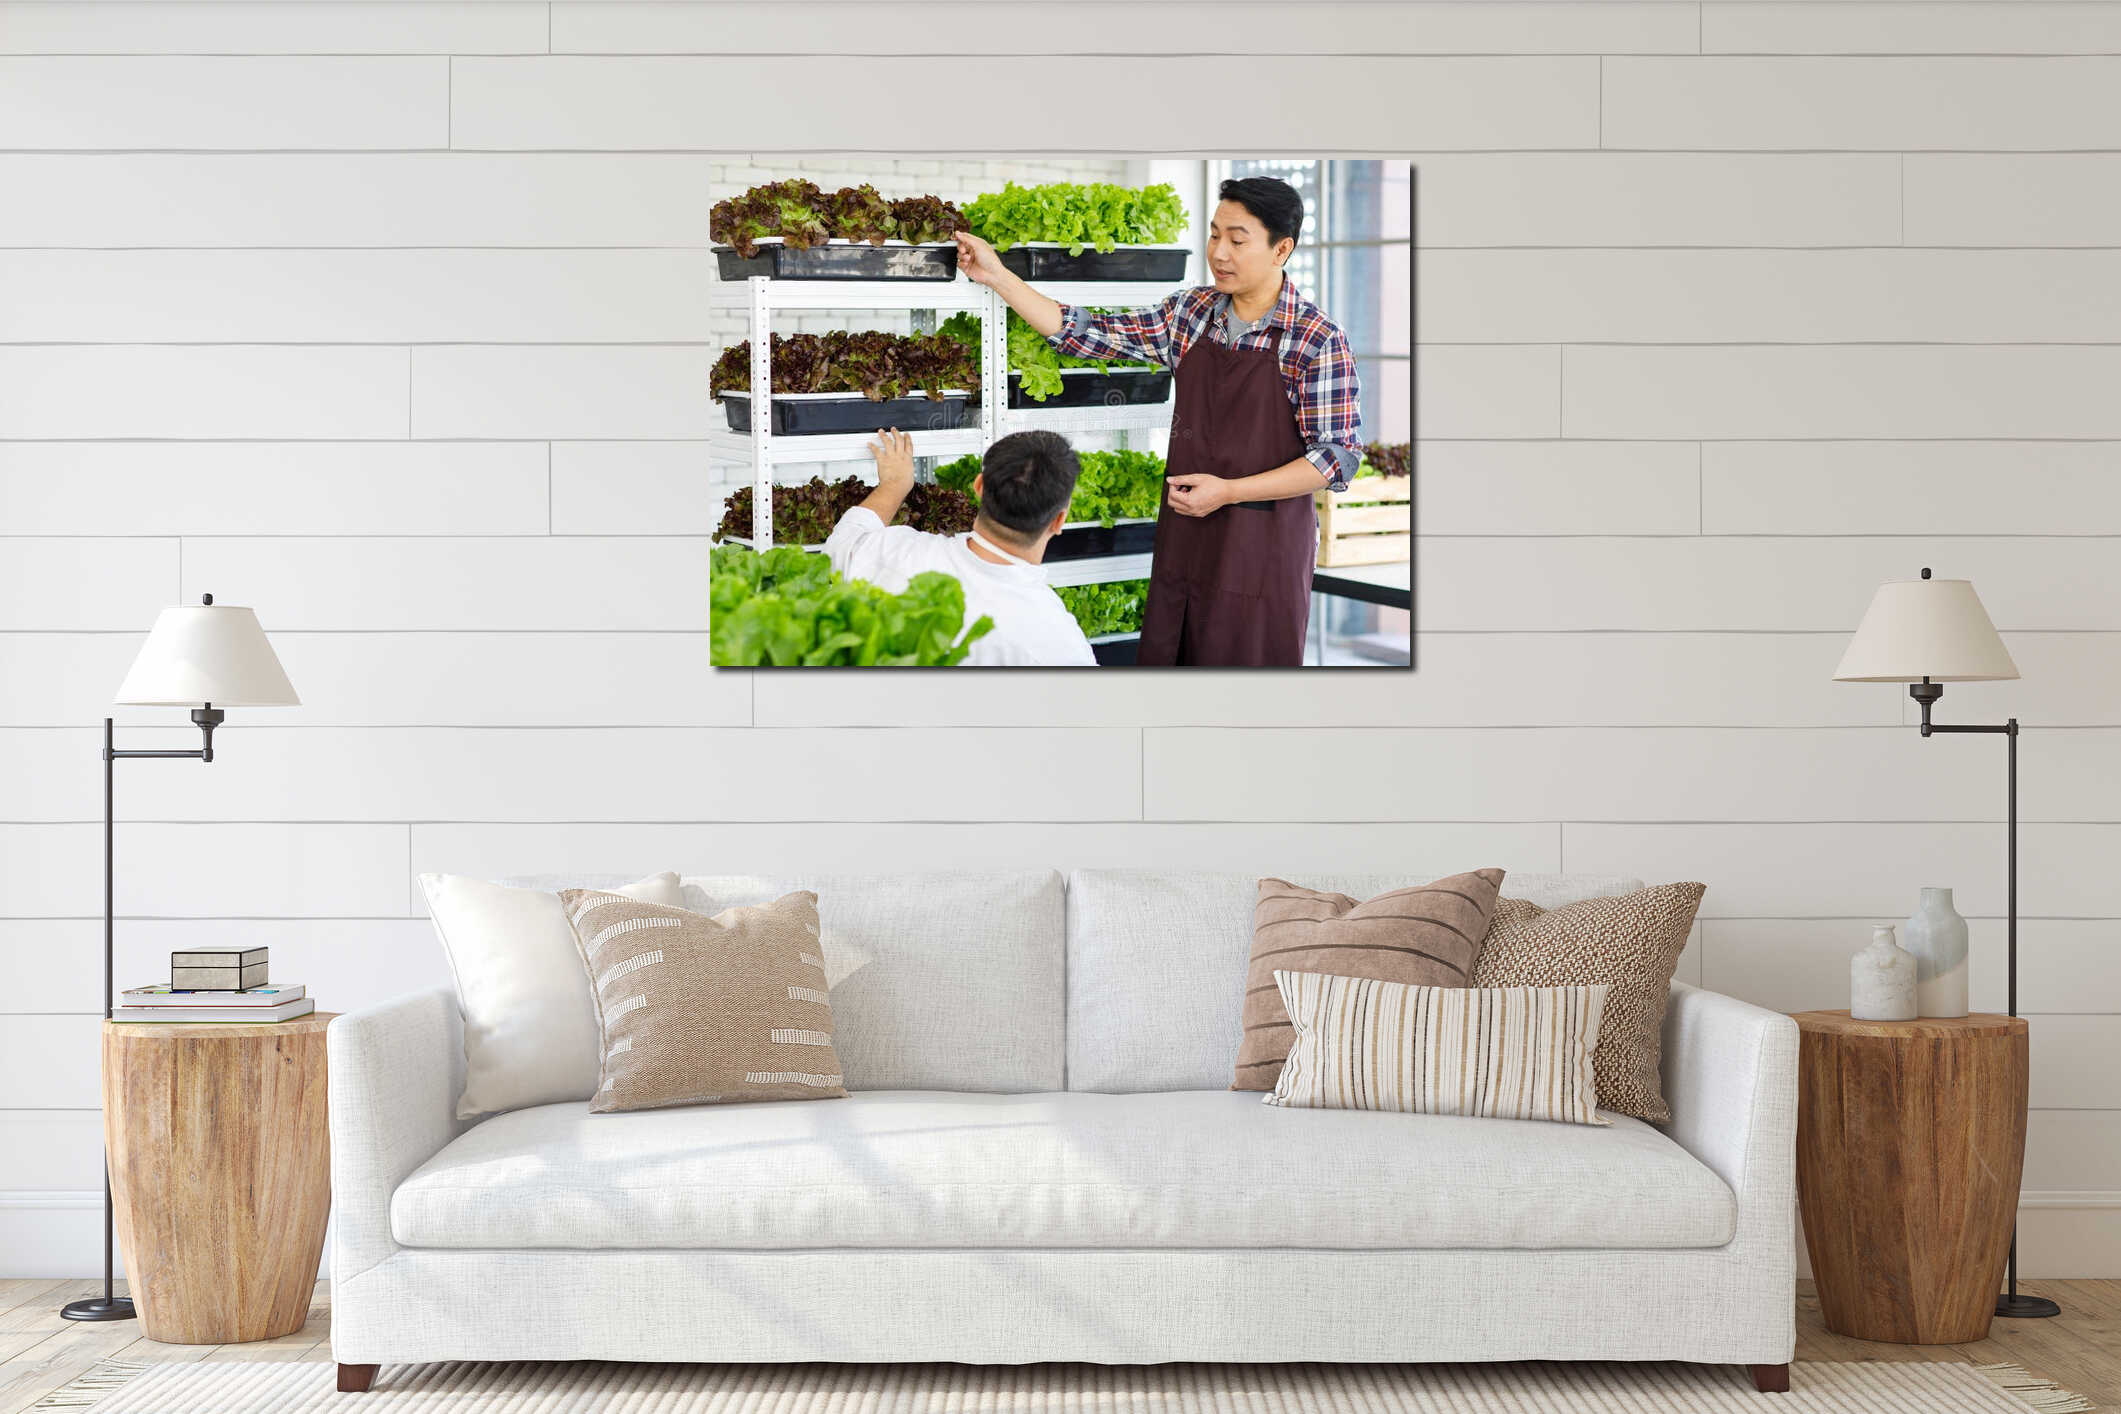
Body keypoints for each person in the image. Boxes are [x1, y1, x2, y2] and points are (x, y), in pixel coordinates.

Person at [953, 176, 1363, 667]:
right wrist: (998, 276)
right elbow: (1091, 333)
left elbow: (1336, 459)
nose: (1219, 253)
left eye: (1237, 240)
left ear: (1282, 250)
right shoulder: (1191, 313)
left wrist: (1229, 492)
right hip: (1185, 538)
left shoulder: (1316, 339)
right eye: (1214, 235)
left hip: (1263, 555)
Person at [821, 427, 1097, 668]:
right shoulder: (1059, 643)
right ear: (1059, 521)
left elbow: (843, 543)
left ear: (978, 486)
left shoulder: (895, 553)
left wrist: (895, 485)